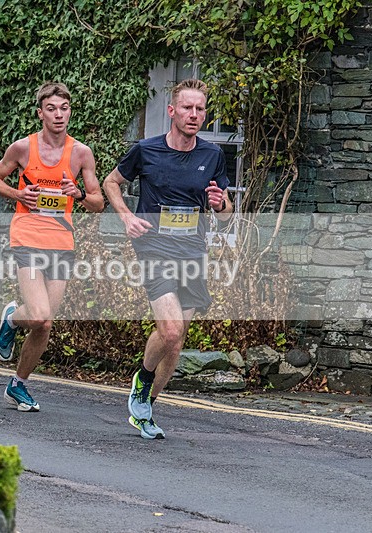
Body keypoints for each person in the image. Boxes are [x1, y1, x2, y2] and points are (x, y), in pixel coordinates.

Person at [102, 78, 233, 439]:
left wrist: (221, 205)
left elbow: (225, 213)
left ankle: (146, 407)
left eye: (200, 109)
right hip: (154, 247)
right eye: (187, 108)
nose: (194, 114)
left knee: (175, 341)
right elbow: (111, 182)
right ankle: (143, 381)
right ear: (172, 111)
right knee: (171, 329)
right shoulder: (146, 150)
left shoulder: (212, 156)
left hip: (192, 251)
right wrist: (127, 217)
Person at [0, 82, 104, 412]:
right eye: (51, 109)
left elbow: (98, 203)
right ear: (40, 113)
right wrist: (18, 194)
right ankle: (13, 318)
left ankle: (18, 384)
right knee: (38, 314)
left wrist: (78, 194)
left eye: (64, 109)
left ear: (70, 112)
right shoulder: (23, 148)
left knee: (46, 323)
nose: (58, 115)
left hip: (62, 241)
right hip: (27, 236)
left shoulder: (81, 153)